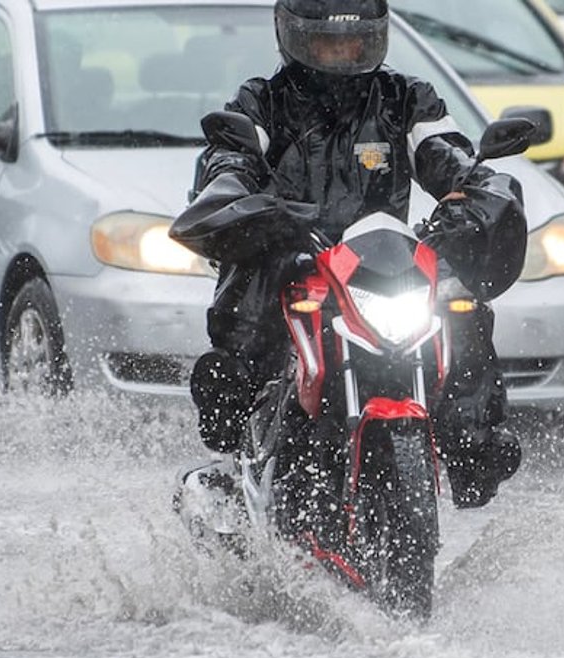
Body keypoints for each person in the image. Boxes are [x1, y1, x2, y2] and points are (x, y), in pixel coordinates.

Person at [169, 0, 524, 509]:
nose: (341, 52)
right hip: (299, 261)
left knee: (458, 304)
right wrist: (238, 188)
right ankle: (238, 445)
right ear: (294, 36)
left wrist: (475, 188)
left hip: (382, 268)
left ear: (374, 38)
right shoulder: (264, 102)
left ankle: (472, 447)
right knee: (254, 295)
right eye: (327, 41)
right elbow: (231, 157)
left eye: (353, 41)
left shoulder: (404, 99)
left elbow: (447, 152)